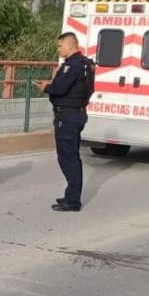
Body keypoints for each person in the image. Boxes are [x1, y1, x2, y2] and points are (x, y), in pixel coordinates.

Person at [38, 33, 94, 212]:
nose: (58, 49)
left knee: (68, 158)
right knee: (72, 157)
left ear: (70, 45)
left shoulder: (72, 66)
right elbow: (88, 90)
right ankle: (71, 195)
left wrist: (47, 86)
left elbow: (60, 88)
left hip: (67, 117)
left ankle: (72, 200)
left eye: (60, 46)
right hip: (76, 113)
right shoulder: (86, 64)